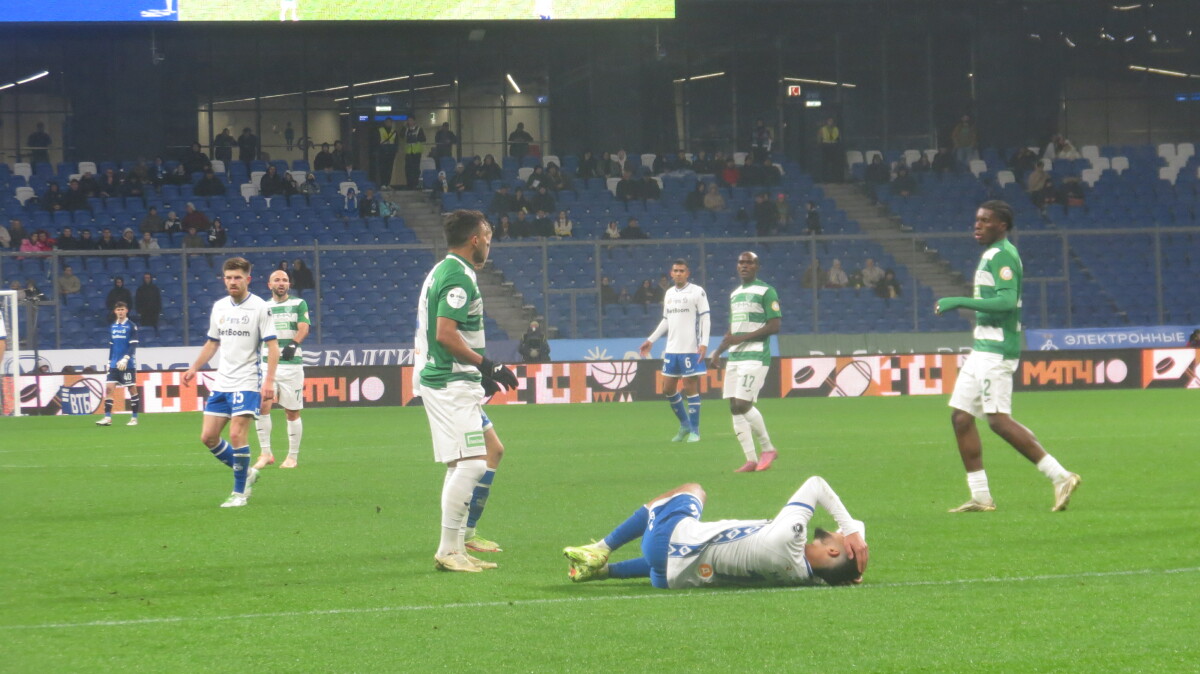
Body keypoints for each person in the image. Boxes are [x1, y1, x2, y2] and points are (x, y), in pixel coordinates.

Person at [935, 200, 1081, 513]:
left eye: (985, 220)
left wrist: (958, 301)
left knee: (998, 420)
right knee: (961, 417)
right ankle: (981, 497)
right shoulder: (992, 254)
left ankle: (1061, 476)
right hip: (983, 348)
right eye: (977, 219)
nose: (978, 225)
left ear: (1002, 226)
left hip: (997, 349)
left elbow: (1005, 302)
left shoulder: (1003, 255)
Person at [413, 210, 519, 572]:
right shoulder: (458, 276)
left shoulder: (444, 270)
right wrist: (488, 365)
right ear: (474, 239)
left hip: (456, 378)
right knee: (472, 464)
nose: (490, 242)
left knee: (481, 455)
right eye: (487, 235)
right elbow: (445, 334)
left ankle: (458, 545)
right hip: (450, 383)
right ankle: (448, 550)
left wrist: (478, 371)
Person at [561, 475, 868, 588]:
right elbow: (843, 562)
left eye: (841, 536)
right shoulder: (806, 577)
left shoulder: (789, 537)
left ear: (833, 550)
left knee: (693, 490)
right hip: (670, 578)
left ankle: (601, 548)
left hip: (666, 541)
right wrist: (851, 563)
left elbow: (816, 485)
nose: (841, 530)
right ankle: (602, 573)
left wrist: (852, 529)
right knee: (689, 551)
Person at [182, 257, 279, 508]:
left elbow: (273, 347)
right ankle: (248, 473)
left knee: (236, 434)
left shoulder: (260, 308)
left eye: (237, 277)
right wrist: (194, 367)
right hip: (222, 382)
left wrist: (269, 381)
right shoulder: (220, 307)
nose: (232, 282)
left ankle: (240, 493)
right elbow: (212, 342)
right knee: (208, 437)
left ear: (248, 279)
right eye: (228, 277)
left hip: (247, 381)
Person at [708, 252, 781, 472]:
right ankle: (750, 459)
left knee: (742, 403)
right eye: (741, 262)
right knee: (734, 407)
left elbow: (774, 326)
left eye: (749, 262)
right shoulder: (735, 294)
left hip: (756, 355)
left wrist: (742, 338)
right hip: (735, 357)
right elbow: (734, 330)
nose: (744, 266)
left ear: (757, 266)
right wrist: (718, 352)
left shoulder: (767, 291)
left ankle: (768, 448)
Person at [639, 260, 710, 443]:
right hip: (672, 350)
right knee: (668, 388)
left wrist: (704, 343)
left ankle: (695, 431)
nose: (678, 273)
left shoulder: (697, 292)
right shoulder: (669, 293)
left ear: (688, 273)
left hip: (690, 349)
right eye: (676, 271)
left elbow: (705, 318)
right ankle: (685, 424)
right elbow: (666, 320)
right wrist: (651, 340)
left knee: (690, 387)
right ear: (671, 273)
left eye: (682, 271)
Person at [253, 269, 310, 471]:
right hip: (267, 364)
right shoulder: (263, 307)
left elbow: (304, 327)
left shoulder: (299, 303)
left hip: (291, 365)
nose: (281, 283)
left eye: (284, 280)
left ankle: (292, 457)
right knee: (262, 405)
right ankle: (266, 453)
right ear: (270, 285)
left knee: (292, 412)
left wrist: (294, 344)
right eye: (277, 280)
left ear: (289, 284)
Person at [95, 302, 141, 427]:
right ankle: (107, 418)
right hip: (114, 364)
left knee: (132, 389)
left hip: (127, 364)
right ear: (115, 311)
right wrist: (109, 361)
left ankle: (134, 418)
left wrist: (126, 358)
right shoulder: (113, 326)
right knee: (109, 388)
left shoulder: (131, 326)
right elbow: (112, 345)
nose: (120, 312)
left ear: (127, 311)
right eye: (118, 310)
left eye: (122, 309)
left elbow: (133, 345)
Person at [403, 117, 425, 190]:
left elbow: (423, 138)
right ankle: (409, 184)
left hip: (416, 152)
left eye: (411, 120)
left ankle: (415, 184)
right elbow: (401, 135)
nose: (410, 122)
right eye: (408, 121)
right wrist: (404, 127)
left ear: (414, 121)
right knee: (408, 169)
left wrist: (415, 138)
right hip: (409, 152)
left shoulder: (419, 129)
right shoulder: (406, 129)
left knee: (415, 168)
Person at [817, 117, 842, 182]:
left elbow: (839, 137)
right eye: (829, 121)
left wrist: (838, 144)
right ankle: (825, 179)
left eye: (831, 121)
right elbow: (819, 137)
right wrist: (820, 145)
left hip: (834, 146)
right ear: (827, 122)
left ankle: (835, 179)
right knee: (825, 163)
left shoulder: (836, 129)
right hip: (826, 146)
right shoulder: (822, 129)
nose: (830, 122)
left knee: (835, 163)